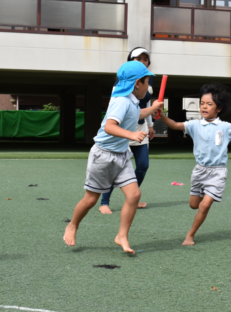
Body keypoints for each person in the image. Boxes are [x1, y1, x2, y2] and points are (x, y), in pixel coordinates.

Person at [63, 61, 163, 253]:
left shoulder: (132, 101)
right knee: (91, 200)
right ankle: (73, 225)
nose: (148, 86)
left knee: (134, 195)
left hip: (122, 155)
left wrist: (153, 108)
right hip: (103, 156)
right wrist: (132, 135)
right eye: (147, 82)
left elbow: (136, 114)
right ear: (137, 83)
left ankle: (121, 236)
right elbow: (110, 127)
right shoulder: (121, 101)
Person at [159, 83, 231, 246]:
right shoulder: (194, 125)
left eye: (209, 104)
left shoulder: (225, 127)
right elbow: (175, 125)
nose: (204, 106)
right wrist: (162, 116)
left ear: (219, 108)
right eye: (202, 103)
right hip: (199, 171)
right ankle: (204, 198)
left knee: (205, 205)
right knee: (194, 205)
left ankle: (190, 235)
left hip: (218, 172)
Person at [99, 47, 154, 214]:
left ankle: (132, 198)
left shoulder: (147, 80)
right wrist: (117, 125)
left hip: (140, 127)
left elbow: (145, 105)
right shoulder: (122, 82)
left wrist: (150, 125)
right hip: (123, 128)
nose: (143, 62)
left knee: (143, 165)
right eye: (138, 59)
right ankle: (104, 202)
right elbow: (114, 105)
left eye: (145, 59)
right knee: (114, 167)